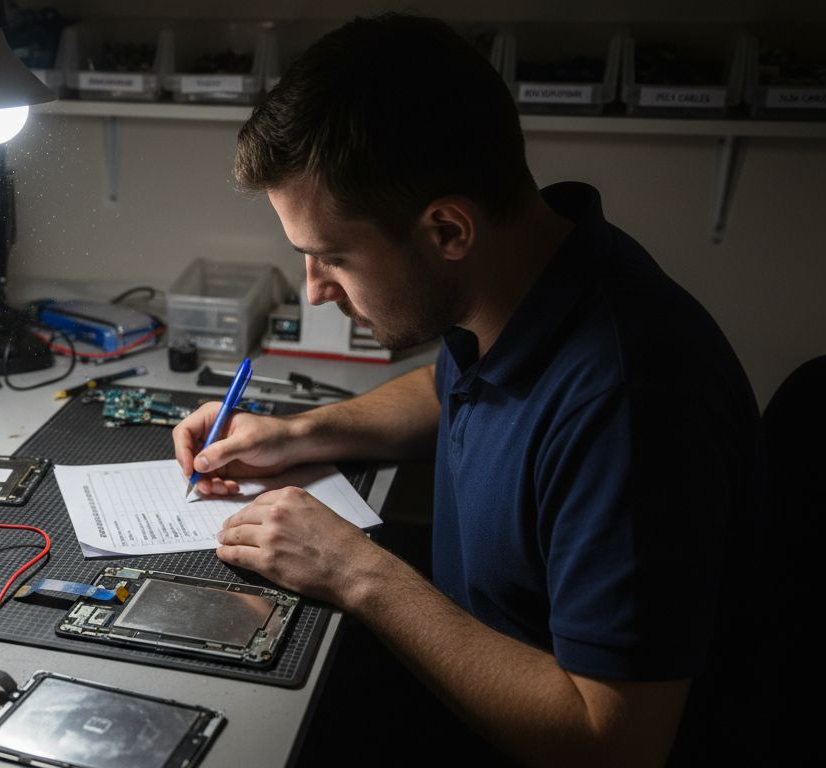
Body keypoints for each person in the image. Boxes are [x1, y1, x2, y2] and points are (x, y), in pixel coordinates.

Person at [172, 14, 767, 766]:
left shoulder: (630, 402)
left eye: (331, 258)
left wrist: (356, 571)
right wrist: (299, 433)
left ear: (448, 230)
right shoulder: (528, 283)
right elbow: (455, 392)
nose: (315, 292)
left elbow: (613, 741)